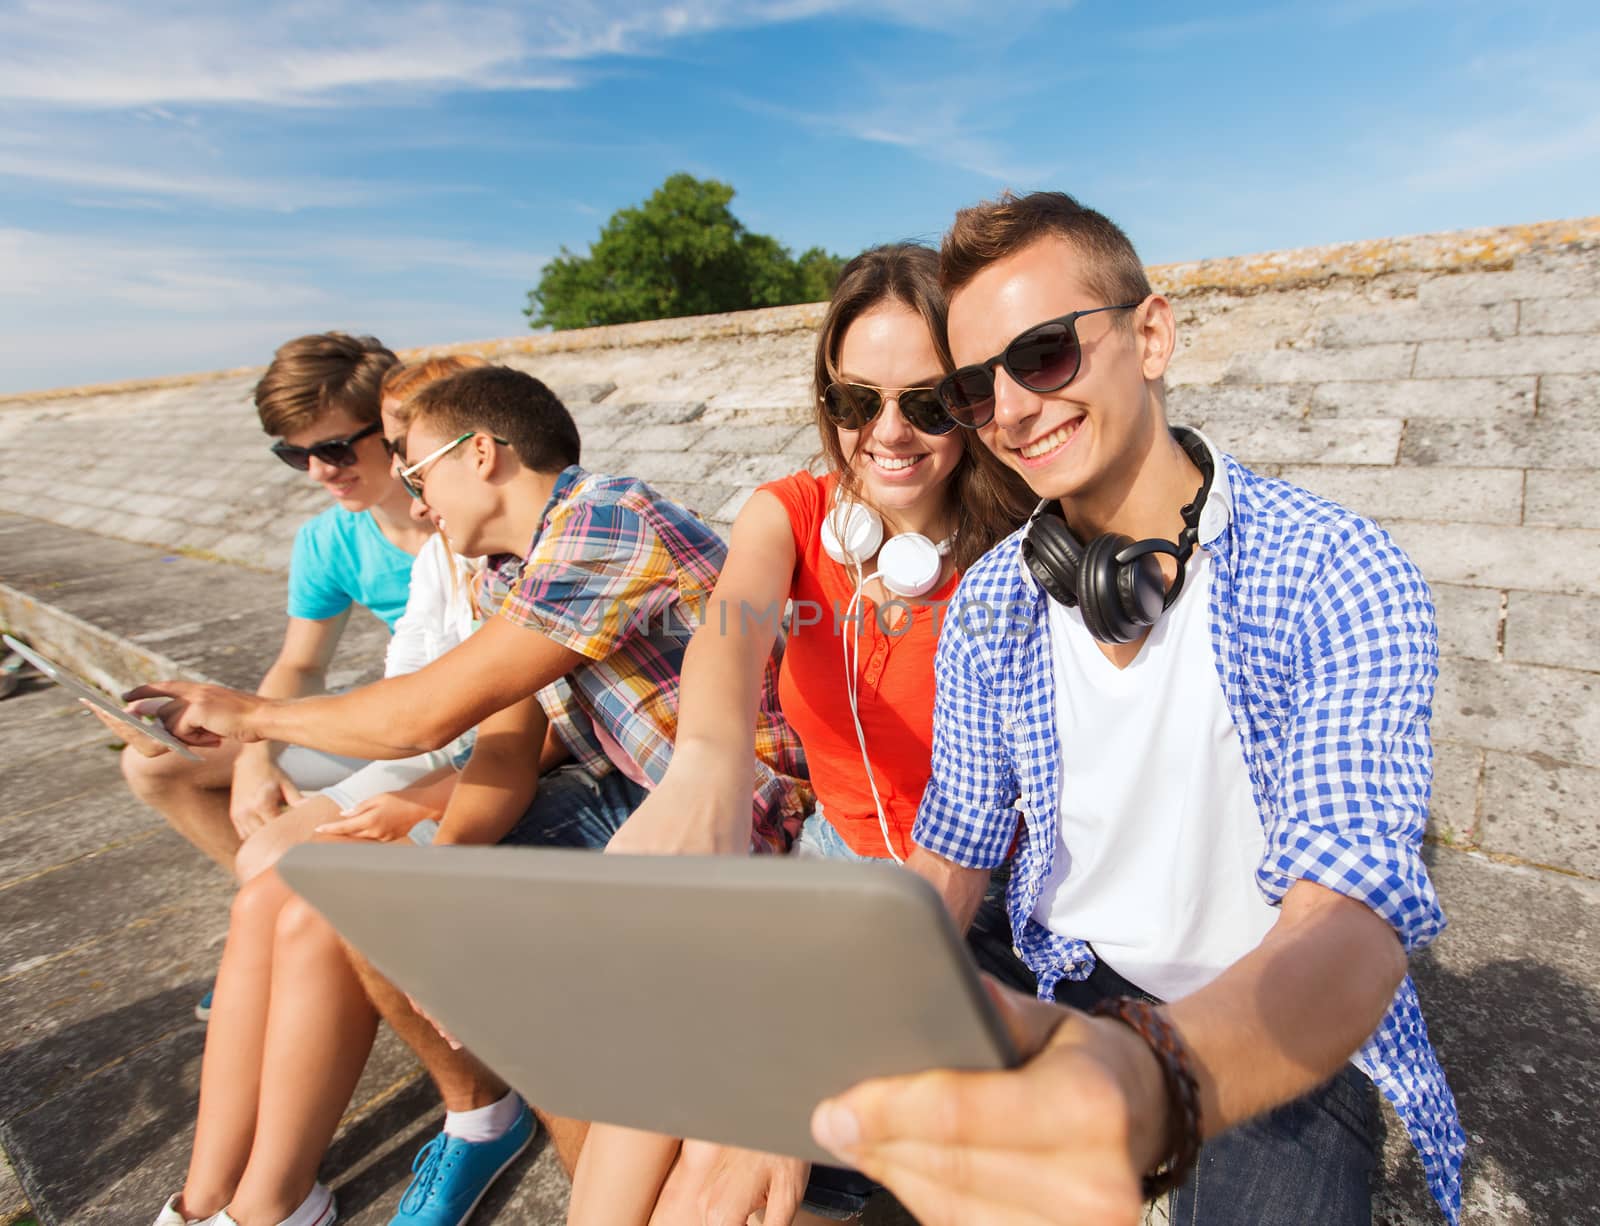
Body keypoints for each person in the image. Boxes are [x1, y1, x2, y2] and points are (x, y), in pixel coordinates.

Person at [809, 192, 1466, 1225]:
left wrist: (1147, 1069)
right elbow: (949, 852)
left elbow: (1350, 913)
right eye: (976, 389)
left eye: (1044, 355)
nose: (1013, 409)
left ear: (1150, 333)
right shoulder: (994, 602)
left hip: (1259, 1008)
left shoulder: (1335, 571)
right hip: (1057, 969)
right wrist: (794, 1082)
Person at [136, 365, 811, 1226]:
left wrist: (255, 716)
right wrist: (437, 884)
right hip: (641, 795)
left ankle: (517, 1138)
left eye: (419, 475)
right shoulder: (507, 570)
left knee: (528, 972)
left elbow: (423, 717)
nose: (417, 504)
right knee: (314, 885)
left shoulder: (606, 519)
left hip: (747, 821)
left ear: (482, 453)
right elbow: (504, 748)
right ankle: (237, 1202)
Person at [571, 244, 1036, 1226]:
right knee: (655, 1064)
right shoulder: (794, 514)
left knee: (728, 1166)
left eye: (928, 400)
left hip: (981, 898)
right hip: (834, 861)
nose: (888, 432)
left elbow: (969, 852)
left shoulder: (1026, 558)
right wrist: (704, 759)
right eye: (857, 401)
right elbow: (734, 623)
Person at [145, 355, 519, 1226]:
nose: (326, 472)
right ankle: (207, 1197)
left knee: (312, 892)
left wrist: (264, 726)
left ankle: (275, 1196)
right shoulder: (434, 562)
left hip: (492, 767)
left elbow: (512, 735)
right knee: (264, 893)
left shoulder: (524, 553)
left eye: (401, 454)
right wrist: (257, 736)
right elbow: (398, 696)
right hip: (445, 753)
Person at [117, 332, 434, 878]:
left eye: (334, 450)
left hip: (460, 731)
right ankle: (267, 900)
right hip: (396, 722)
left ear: (392, 428)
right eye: (295, 454)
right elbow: (301, 664)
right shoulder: (327, 539)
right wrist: (255, 757)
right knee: (156, 765)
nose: (318, 473)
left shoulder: (467, 523)